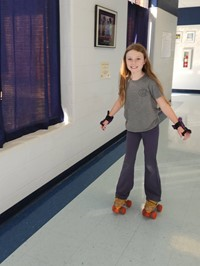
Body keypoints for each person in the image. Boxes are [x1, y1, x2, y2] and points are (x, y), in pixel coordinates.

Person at [100, 43, 191, 219]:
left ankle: (153, 198)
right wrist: (108, 118)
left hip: (150, 129)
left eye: (137, 59)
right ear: (125, 61)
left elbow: (164, 104)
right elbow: (120, 100)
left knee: (150, 164)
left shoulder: (150, 83)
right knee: (128, 163)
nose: (133, 62)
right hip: (132, 130)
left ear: (144, 61)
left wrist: (179, 126)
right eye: (130, 59)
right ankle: (121, 195)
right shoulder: (125, 81)